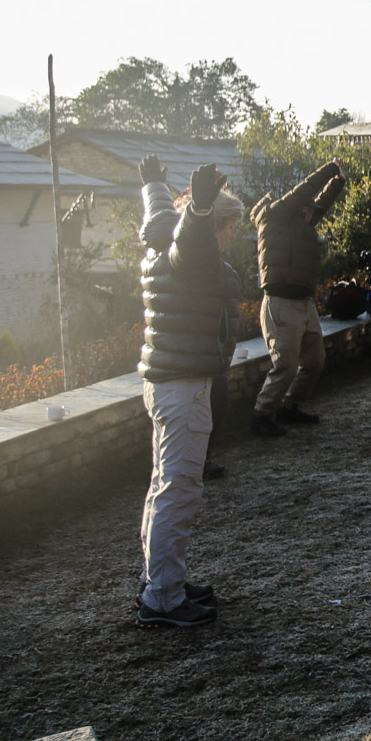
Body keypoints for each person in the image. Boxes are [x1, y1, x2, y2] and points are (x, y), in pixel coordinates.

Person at [134, 157, 244, 628]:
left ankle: (162, 579)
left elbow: (162, 217)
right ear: (212, 226)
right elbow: (192, 244)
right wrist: (199, 210)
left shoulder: (163, 241)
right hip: (183, 389)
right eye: (231, 228)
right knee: (178, 492)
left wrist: (155, 185)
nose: (234, 236)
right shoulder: (190, 257)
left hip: (168, 383)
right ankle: (163, 598)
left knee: (164, 487)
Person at [248, 160, 347, 436]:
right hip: (280, 301)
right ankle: (262, 414)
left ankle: (290, 407)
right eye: (306, 210)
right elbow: (305, 191)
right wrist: (329, 168)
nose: (310, 215)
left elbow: (321, 201)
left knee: (315, 361)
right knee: (286, 364)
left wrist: (338, 182)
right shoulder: (274, 218)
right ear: (294, 208)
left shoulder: (301, 222)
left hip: (304, 303)